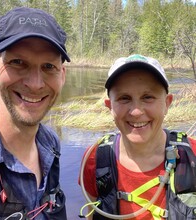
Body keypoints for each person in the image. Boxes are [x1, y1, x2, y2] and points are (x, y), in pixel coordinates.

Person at [0, 6, 70, 220]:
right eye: (18, 62)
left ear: (62, 75)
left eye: (48, 66)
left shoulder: (49, 143)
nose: (35, 84)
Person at [79, 54, 196, 220]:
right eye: (124, 98)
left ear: (167, 103)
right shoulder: (94, 160)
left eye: (148, 97)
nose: (136, 111)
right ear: (109, 106)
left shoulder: (193, 155)